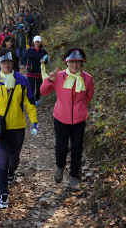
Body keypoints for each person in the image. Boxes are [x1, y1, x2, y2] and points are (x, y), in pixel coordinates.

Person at [0, 51, 38, 209]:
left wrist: (34, 122)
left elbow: (30, 103)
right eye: (3, 62)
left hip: (17, 127)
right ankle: (3, 193)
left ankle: (12, 172)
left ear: (13, 63)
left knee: (14, 160)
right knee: (2, 160)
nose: (6, 65)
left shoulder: (22, 80)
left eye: (9, 62)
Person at [40, 48, 94, 191]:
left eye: (78, 62)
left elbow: (89, 95)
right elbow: (43, 92)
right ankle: (60, 166)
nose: (75, 65)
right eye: (72, 62)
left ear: (82, 64)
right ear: (67, 62)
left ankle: (74, 176)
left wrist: (80, 108)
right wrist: (49, 80)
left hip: (79, 120)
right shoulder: (59, 76)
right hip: (60, 118)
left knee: (77, 149)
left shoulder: (87, 78)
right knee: (61, 148)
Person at [25, 35, 48, 106]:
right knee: (31, 87)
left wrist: (44, 61)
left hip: (39, 72)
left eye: (39, 41)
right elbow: (24, 59)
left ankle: (37, 99)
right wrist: (26, 65)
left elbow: (46, 60)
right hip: (31, 72)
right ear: (33, 42)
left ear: (41, 42)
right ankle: (31, 100)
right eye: (36, 41)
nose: (37, 43)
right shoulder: (29, 50)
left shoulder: (43, 51)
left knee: (39, 88)